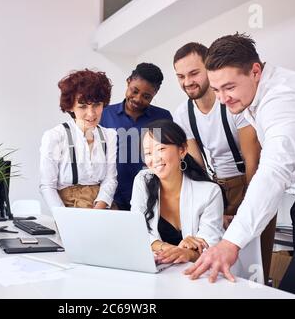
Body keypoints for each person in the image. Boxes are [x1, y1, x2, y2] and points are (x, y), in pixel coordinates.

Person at [185, 33, 295, 299]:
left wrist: (231, 242)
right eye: (216, 89)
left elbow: (274, 170)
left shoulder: (284, 98)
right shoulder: (254, 93)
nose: (222, 98)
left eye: (229, 87)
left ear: (255, 71)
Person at [172, 42, 275, 283]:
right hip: (214, 186)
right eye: (180, 76)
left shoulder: (233, 102)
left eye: (194, 73)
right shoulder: (182, 113)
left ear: (209, 69)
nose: (187, 81)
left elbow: (254, 159)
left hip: (249, 181)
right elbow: (196, 162)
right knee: (214, 257)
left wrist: (248, 203)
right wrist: (212, 202)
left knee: (255, 261)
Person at [130, 119, 224, 264]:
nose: (154, 159)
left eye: (161, 149)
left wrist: (187, 254)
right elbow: (136, 232)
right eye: (148, 153)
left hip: (198, 273)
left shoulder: (210, 192)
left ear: (182, 150)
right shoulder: (143, 180)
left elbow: (210, 245)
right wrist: (170, 249)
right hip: (158, 269)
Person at [39, 69, 117, 209]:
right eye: (82, 107)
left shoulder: (109, 136)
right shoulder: (55, 136)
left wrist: (99, 209)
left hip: (101, 206)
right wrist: (64, 217)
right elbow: (47, 186)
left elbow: (110, 179)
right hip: (68, 207)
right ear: (70, 107)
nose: (91, 113)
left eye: (96, 105)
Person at [100, 63, 173, 210]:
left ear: (155, 93)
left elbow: (169, 157)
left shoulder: (163, 117)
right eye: (134, 91)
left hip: (152, 198)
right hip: (112, 198)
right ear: (128, 81)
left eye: (146, 96)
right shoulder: (105, 114)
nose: (138, 99)